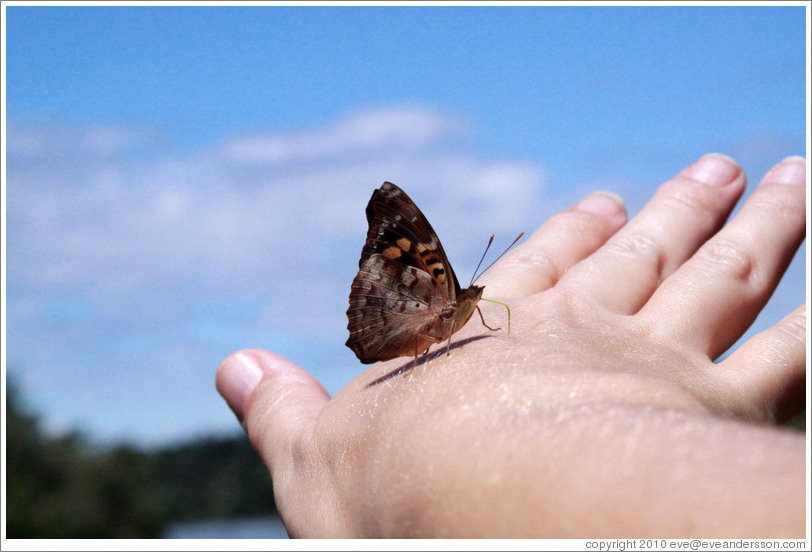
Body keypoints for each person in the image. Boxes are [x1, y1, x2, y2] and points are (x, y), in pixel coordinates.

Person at [217, 154, 806, 538]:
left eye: (476, 295)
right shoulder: (448, 295)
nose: (477, 296)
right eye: (473, 291)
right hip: (395, 320)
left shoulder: (475, 303)